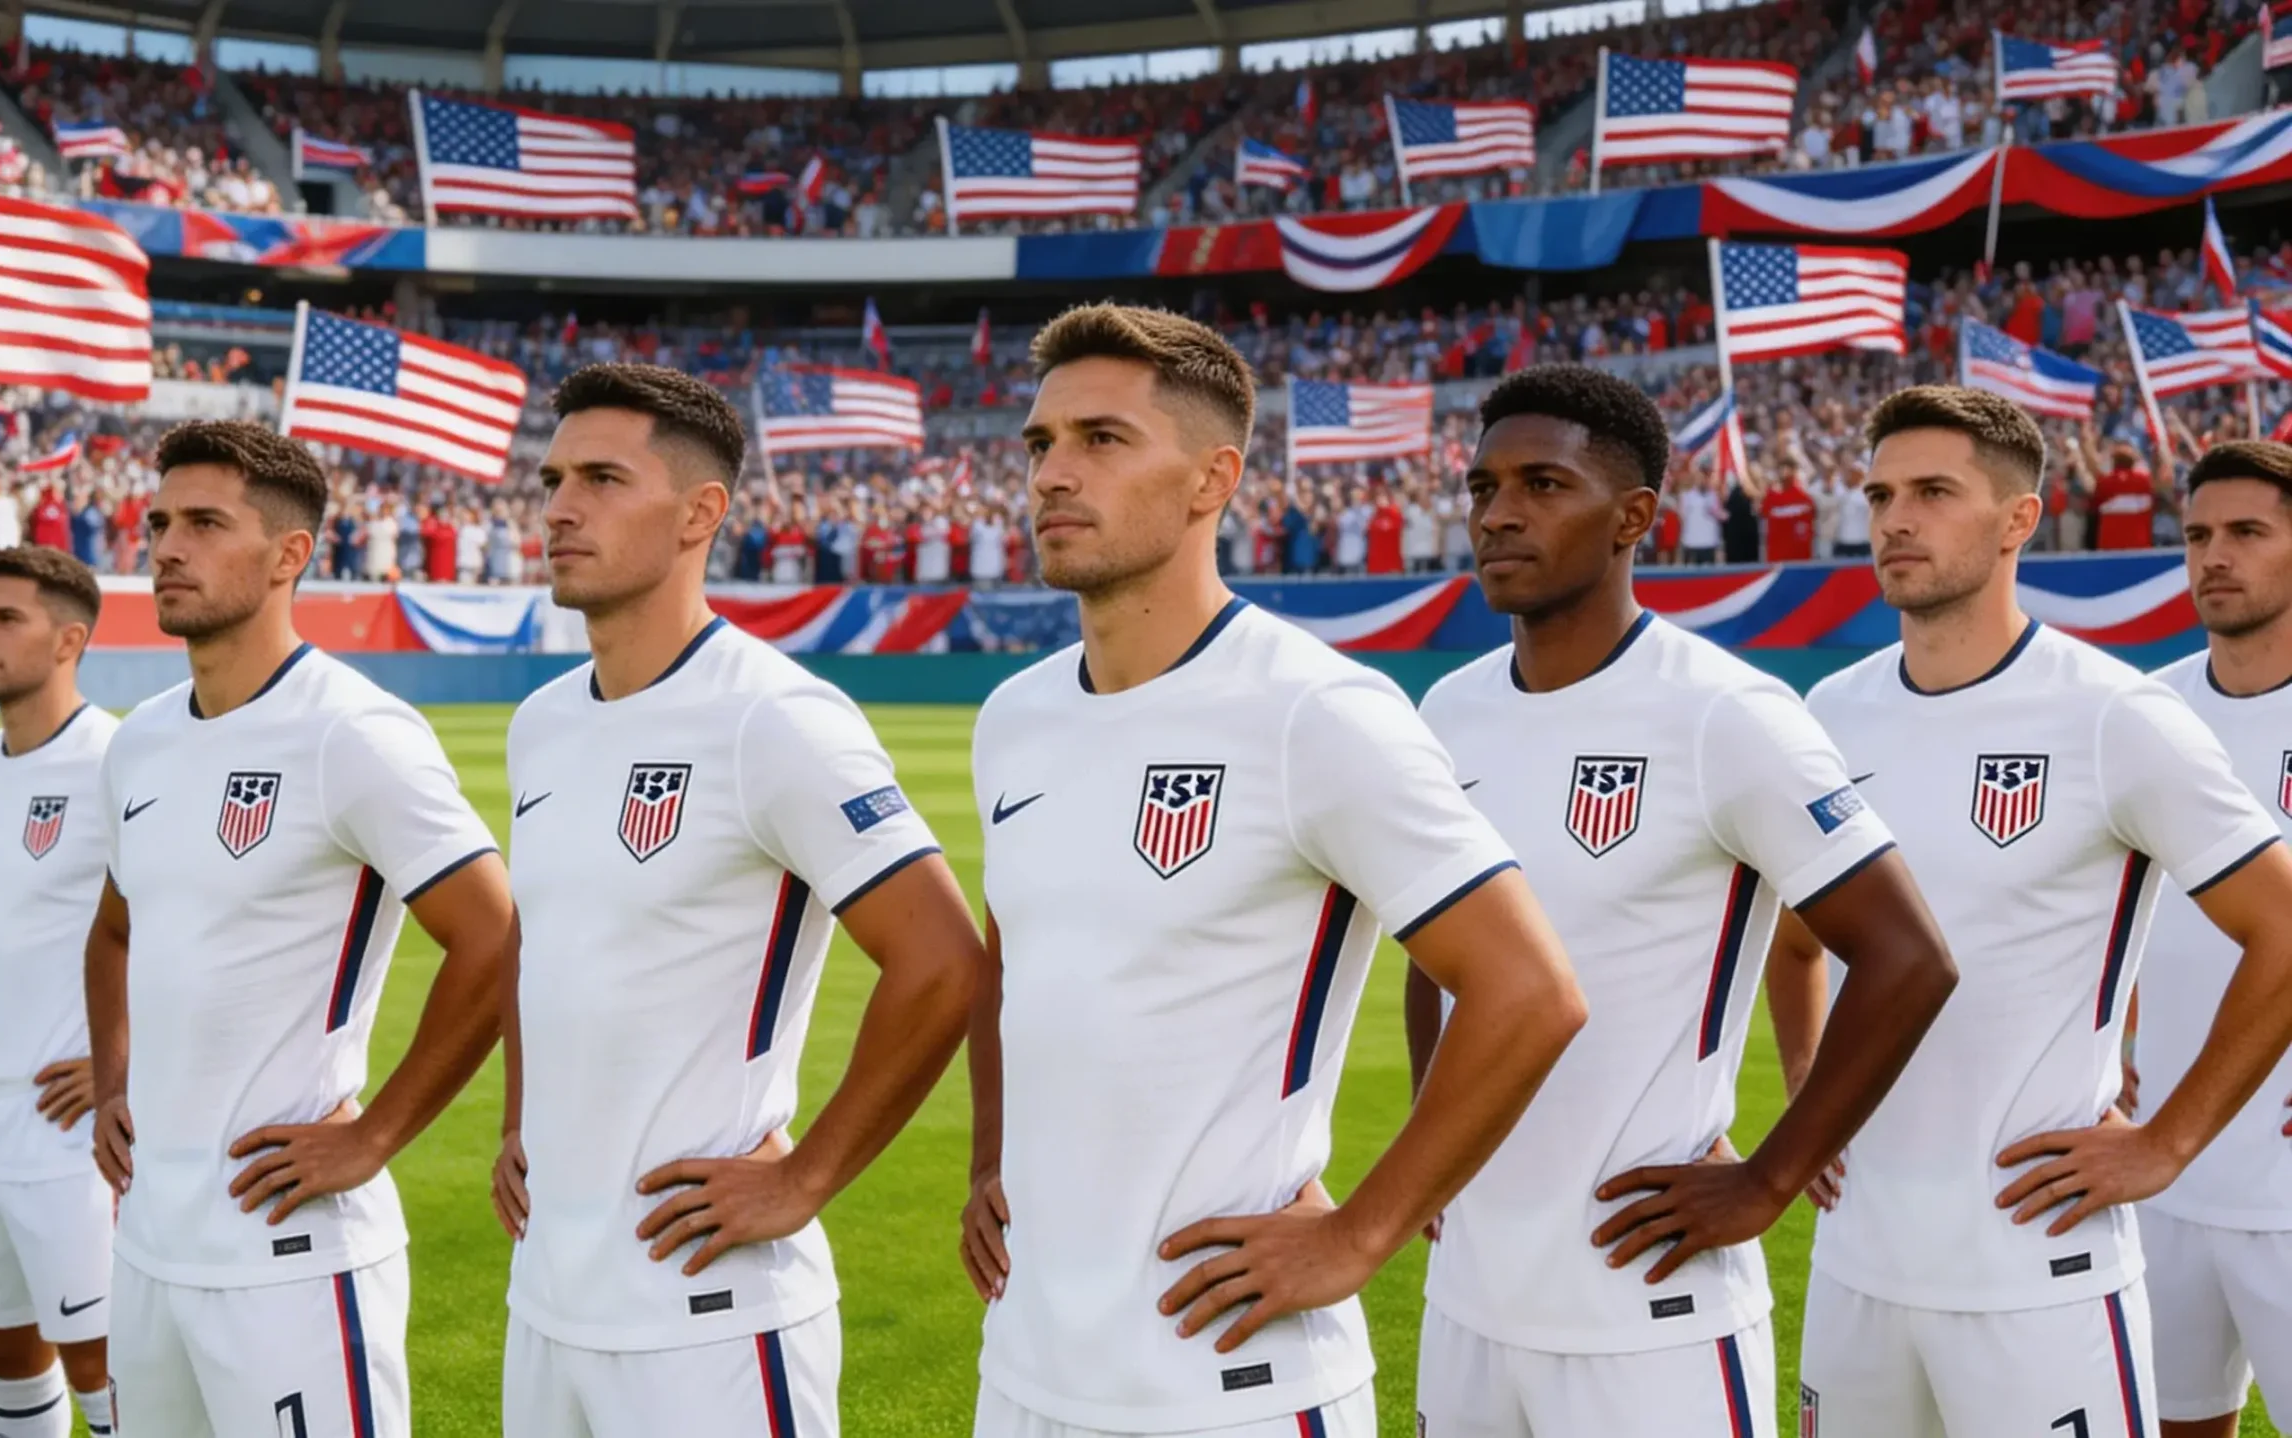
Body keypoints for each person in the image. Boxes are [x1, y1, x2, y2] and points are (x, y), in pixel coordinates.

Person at [964, 303, 1589, 1437]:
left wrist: (1360, 1237)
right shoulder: (1015, 714)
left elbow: (1529, 990)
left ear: (1212, 480)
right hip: (1025, 1365)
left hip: (1230, 1380)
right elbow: (1014, 953)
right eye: (1039, 443)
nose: (1054, 473)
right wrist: (987, 1155)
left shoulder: (1317, 712)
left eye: (1102, 440)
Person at [1410, 366, 1958, 1437]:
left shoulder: (1724, 714)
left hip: (1645, 1302)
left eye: (1541, 483)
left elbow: (1907, 957)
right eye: (1482, 488)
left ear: (1633, 518)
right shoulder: (1449, 710)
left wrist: (1766, 1180)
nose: (1500, 512)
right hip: (1469, 1292)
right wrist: (1438, 1147)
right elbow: (1437, 961)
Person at [1775, 387, 2292, 1438]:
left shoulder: (2111, 714)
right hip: (1856, 1260)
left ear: (2020, 520)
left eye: (1931, 492)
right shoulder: (1827, 716)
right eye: (1878, 494)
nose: (1893, 520)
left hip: (2034, 1256)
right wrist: (1804, 1101)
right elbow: (1792, 945)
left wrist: (2163, 1144)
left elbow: (2281, 927)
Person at [495, 363, 984, 1434]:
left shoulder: (775, 719)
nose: (561, 506)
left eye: (603, 479)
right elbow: (537, 930)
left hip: (706, 1310)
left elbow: (943, 959)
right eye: (553, 477)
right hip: (548, 1297)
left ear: (700, 513)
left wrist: (804, 1177)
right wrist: (516, 1114)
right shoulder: (541, 720)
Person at [85, 420, 515, 1434]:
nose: (166, 548)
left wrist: (374, 1134)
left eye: (202, 523)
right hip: (149, 1241)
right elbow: (113, 930)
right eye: (158, 523)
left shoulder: (352, 733)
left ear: (289, 556)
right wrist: (112, 1076)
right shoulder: (139, 742)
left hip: (290, 1253)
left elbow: (496, 936)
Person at [0, 545, 121, 1438]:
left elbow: (177, 930)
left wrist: (123, 1063)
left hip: (72, 1135)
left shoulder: (120, 761)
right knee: (4, 1345)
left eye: (5, 620)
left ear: (68, 640)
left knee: (100, 1355)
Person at [2136, 440, 2292, 1438]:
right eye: (2196, 534)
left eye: (2246, 532)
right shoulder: (2147, 714)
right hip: (2159, 1167)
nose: (2212, 556)